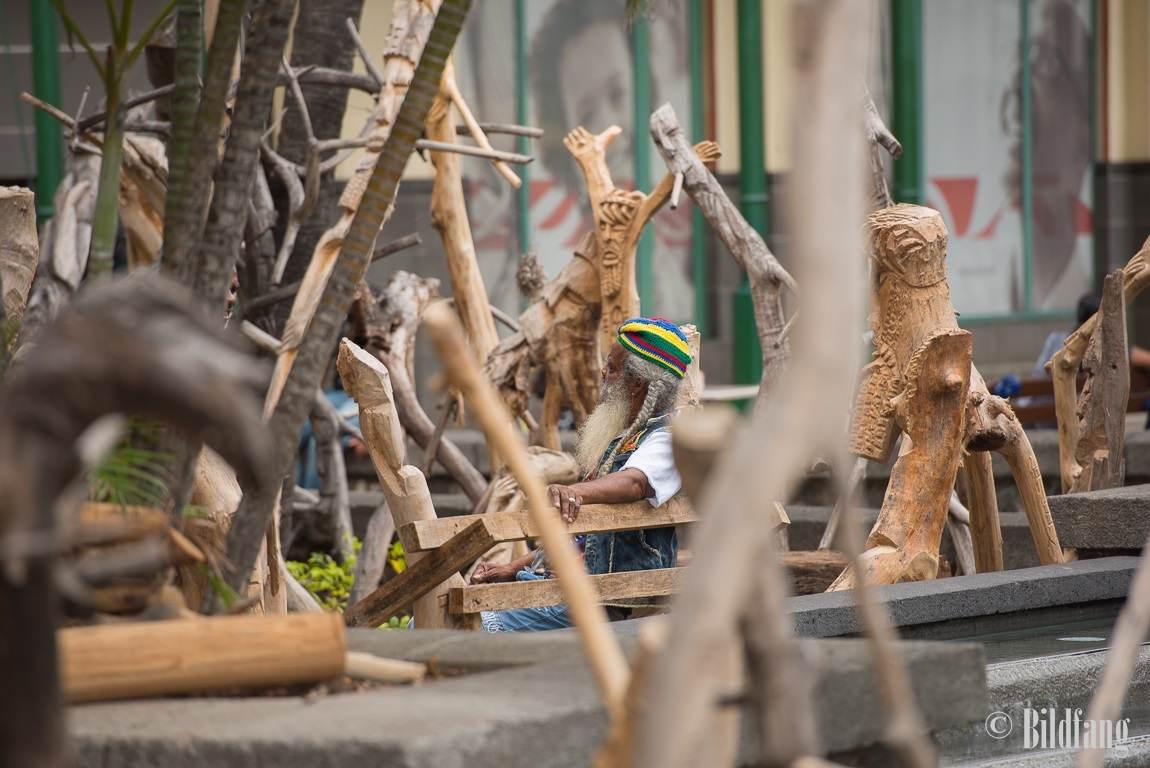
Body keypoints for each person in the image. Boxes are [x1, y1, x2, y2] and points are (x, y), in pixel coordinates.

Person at [472, 317, 691, 632]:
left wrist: (576, 491)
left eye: (612, 368)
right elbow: (584, 542)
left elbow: (636, 482)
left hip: (605, 599)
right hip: (564, 587)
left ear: (637, 384)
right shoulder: (623, 438)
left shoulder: (670, 438)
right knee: (436, 621)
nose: (602, 372)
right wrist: (510, 568)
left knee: (463, 629)